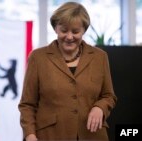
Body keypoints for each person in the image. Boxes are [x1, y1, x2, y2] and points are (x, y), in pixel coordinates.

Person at [18, 2, 117, 141]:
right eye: (64, 30)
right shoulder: (38, 58)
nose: (69, 37)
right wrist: (30, 135)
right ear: (56, 29)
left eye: (75, 32)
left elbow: (108, 95)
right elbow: (27, 104)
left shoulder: (100, 57)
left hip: (93, 136)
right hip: (50, 136)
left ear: (84, 31)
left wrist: (100, 108)